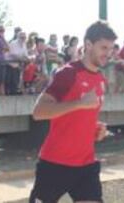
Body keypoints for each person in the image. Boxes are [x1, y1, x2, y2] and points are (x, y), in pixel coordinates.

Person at [29, 21, 117, 203]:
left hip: (86, 164)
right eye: (103, 47)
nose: (108, 53)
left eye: (111, 48)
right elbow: (38, 112)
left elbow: (80, 118)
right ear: (88, 44)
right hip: (55, 163)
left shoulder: (100, 79)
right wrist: (79, 103)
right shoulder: (68, 73)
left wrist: (95, 130)